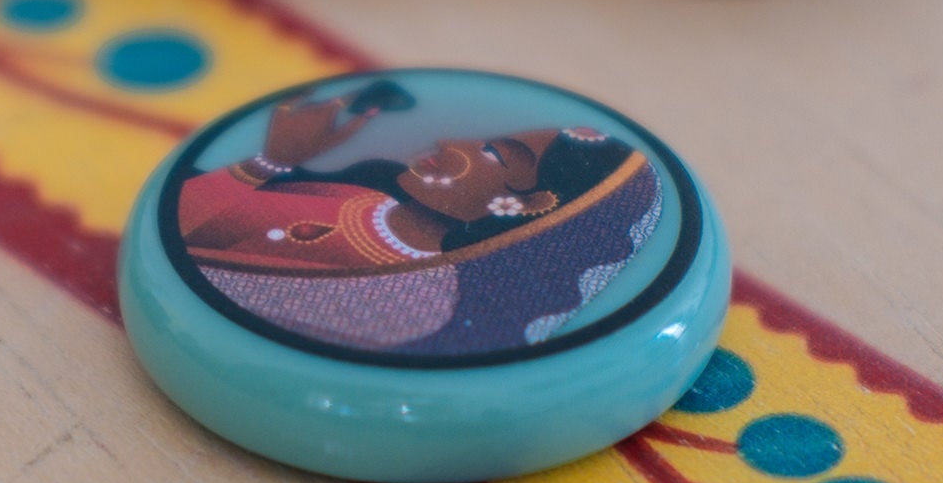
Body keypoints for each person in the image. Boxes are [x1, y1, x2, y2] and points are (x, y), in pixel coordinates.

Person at [177, 85, 662, 358]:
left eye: (494, 153)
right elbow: (185, 230)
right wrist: (269, 163)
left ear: (534, 205)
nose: (451, 143)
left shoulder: (421, 302)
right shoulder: (357, 199)